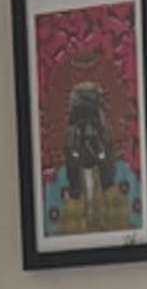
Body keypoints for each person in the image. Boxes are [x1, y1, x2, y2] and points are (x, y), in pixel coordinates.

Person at [47, 68, 140, 243]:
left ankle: (93, 218)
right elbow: (92, 138)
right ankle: (93, 219)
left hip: (88, 159)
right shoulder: (92, 120)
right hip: (91, 159)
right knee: (94, 191)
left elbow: (84, 139)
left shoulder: (82, 121)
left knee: (92, 191)